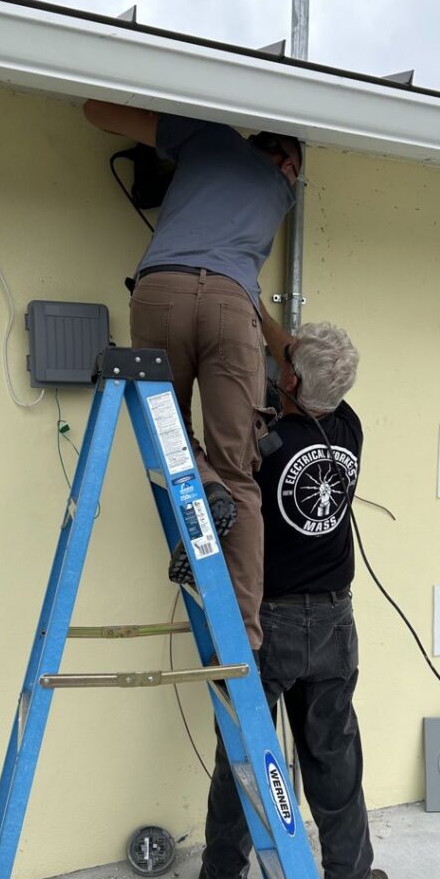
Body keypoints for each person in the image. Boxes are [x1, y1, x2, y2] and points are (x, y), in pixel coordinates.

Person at [83, 99, 302, 650]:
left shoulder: (211, 136)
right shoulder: (280, 193)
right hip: (233, 307)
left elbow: (95, 111)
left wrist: (174, 133)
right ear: (286, 164)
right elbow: (242, 289)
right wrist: (284, 350)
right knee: (241, 474)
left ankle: (202, 484)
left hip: (161, 291)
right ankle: (246, 639)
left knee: (169, 427)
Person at [196, 309, 390, 879]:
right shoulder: (349, 426)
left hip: (269, 622)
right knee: (333, 753)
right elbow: (301, 362)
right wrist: (264, 314)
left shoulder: (266, 441)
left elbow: (229, 475)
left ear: (291, 383)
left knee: (245, 758)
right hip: (334, 619)